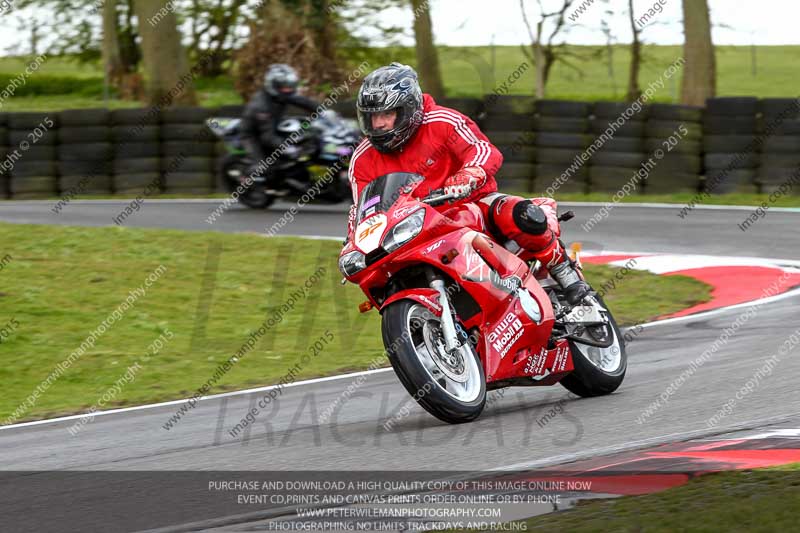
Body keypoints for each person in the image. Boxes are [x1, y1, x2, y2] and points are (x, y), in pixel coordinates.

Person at [346, 63, 589, 305]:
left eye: (386, 114)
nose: (378, 124)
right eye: (372, 116)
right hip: (415, 232)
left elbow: (482, 149)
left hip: (470, 205)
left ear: (408, 108)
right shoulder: (361, 159)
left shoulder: (443, 121)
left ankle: (565, 273)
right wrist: (353, 242)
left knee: (520, 214)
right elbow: (363, 210)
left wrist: (469, 175)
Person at [240, 64, 320, 177]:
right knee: (262, 169)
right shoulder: (261, 107)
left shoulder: (282, 94)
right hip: (253, 135)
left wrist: (324, 111)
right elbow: (267, 137)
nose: (288, 89)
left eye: (290, 86)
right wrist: (289, 149)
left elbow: (303, 101)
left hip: (272, 126)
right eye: (285, 86)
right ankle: (247, 182)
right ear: (273, 85)